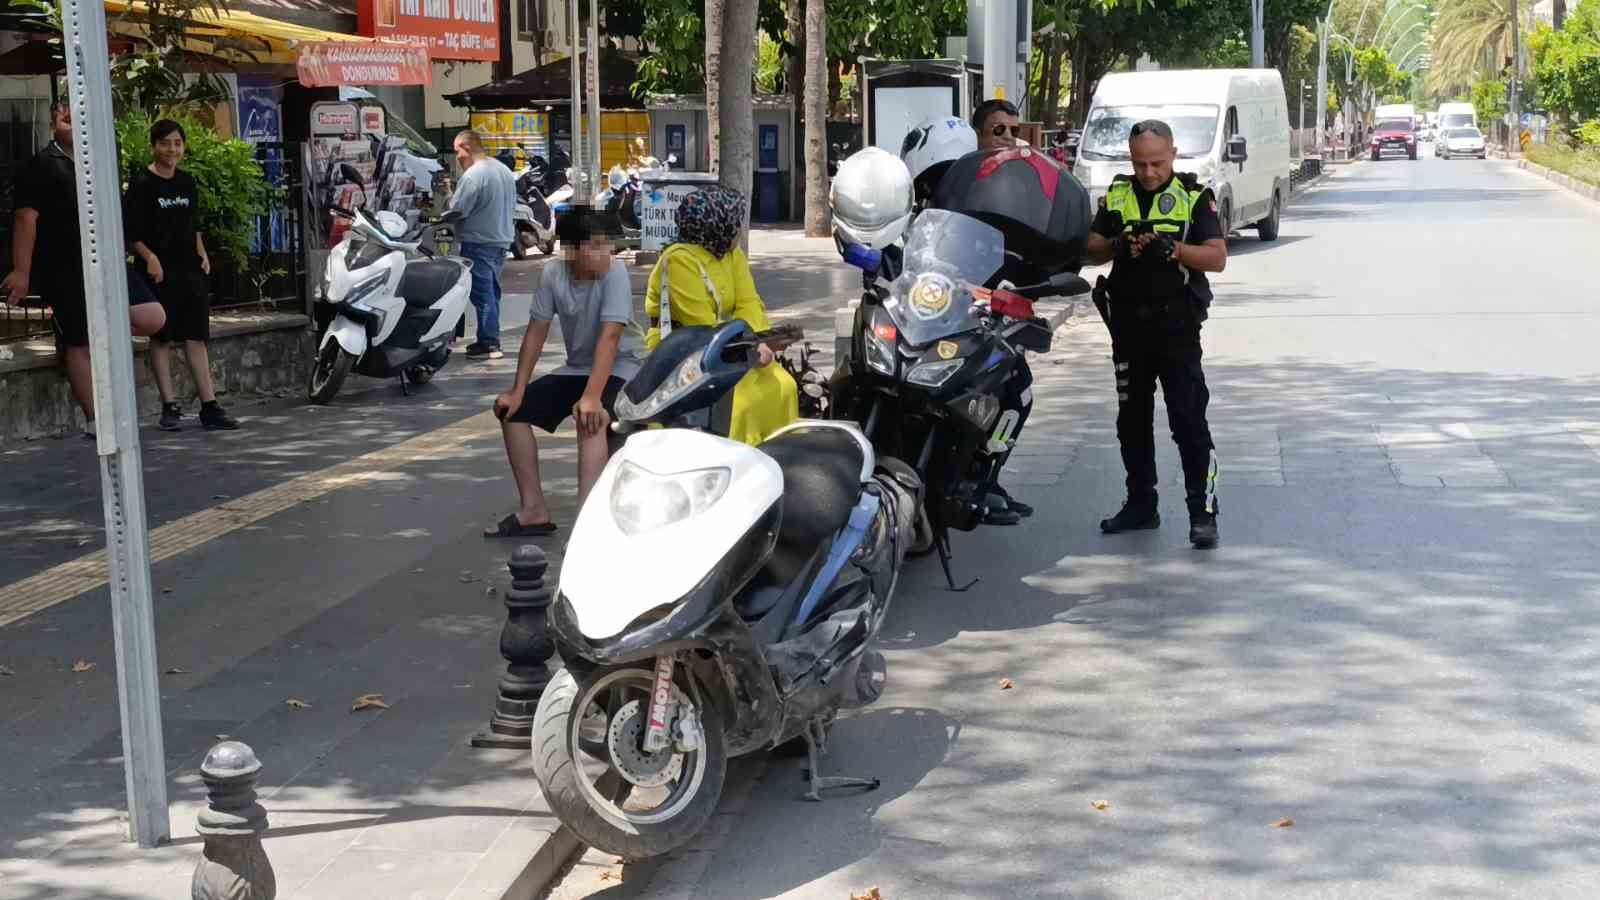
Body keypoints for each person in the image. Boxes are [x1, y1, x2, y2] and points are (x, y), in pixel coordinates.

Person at [1083, 119, 1227, 549]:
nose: (1148, 172)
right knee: (1132, 422)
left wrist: (1175, 250)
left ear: (1173, 154)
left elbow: (1217, 258)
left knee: (1188, 420)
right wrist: (1117, 245)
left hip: (1177, 328)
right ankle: (1141, 504)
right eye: (1140, 163)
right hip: (1128, 327)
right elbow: (1089, 248)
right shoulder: (1119, 195)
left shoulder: (1194, 196)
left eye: (1157, 163)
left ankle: (1203, 513)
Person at [3, 100, 165, 438]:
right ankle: (98, 422)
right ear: (52, 123)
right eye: (63, 115)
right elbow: (25, 219)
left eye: (77, 114)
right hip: (64, 266)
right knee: (80, 344)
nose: (71, 120)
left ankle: (92, 337)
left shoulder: (99, 160)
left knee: (152, 316)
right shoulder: (41, 165)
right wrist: (22, 271)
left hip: (106, 260)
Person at [486, 209, 639, 538]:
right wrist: (517, 390)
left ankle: (588, 525)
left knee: (590, 417)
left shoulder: (616, 273)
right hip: (577, 369)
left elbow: (610, 338)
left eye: (607, 245)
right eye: (596, 246)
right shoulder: (553, 274)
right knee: (510, 412)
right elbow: (535, 333)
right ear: (572, 250)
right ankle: (534, 510)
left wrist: (592, 397)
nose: (606, 253)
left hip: (622, 367)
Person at [644, 186, 797, 446]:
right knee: (741, 403)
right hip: (688, 352)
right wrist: (748, 346)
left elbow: (749, 301)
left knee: (785, 386)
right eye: (734, 221)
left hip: (738, 346)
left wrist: (756, 341)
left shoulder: (730, 253)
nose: (738, 228)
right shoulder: (679, 260)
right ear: (715, 225)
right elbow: (699, 324)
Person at [126, 119, 239, 431]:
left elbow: (194, 225)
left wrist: (201, 253)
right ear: (153, 146)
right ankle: (169, 405)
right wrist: (149, 258)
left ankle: (209, 406)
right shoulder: (141, 183)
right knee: (161, 337)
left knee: (196, 336)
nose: (171, 149)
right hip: (158, 271)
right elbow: (131, 232)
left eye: (177, 143)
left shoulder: (187, 182)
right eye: (165, 143)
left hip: (189, 269)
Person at [449, 128, 517, 360]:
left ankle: (489, 343)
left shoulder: (474, 175)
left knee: (482, 294)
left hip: (478, 241)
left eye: (457, 151)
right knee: (491, 291)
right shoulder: (504, 170)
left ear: (467, 148)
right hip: (501, 241)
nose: (456, 157)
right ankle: (489, 338)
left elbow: (457, 210)